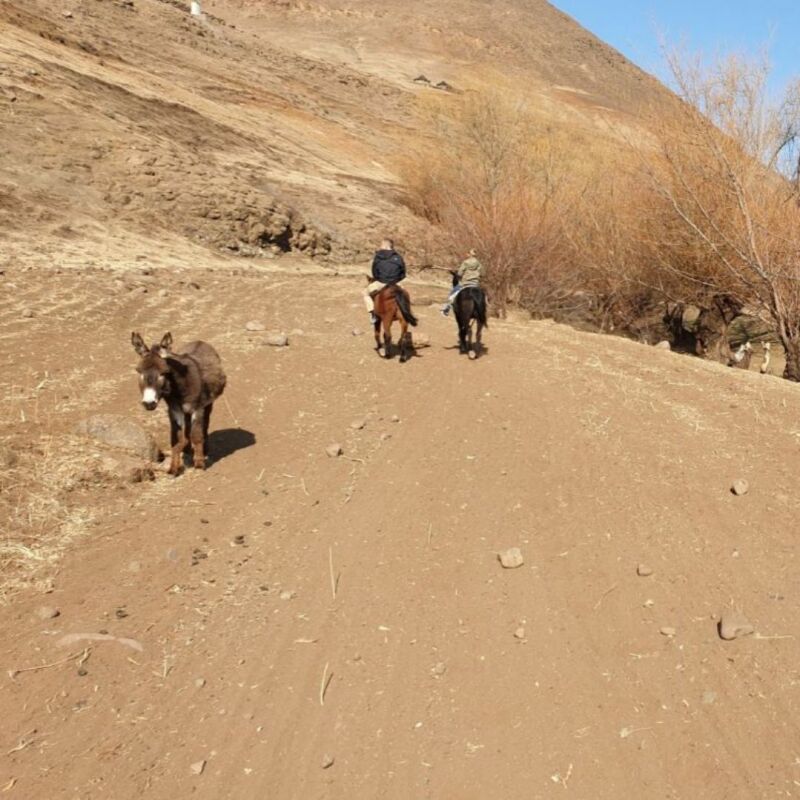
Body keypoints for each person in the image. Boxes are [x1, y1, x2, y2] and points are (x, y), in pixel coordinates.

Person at [364, 238, 406, 325]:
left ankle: (373, 314)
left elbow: (374, 272)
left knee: (365, 293)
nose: (380, 247)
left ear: (385, 245)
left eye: (381, 245)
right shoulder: (398, 257)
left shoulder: (378, 256)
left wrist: (380, 279)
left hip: (381, 282)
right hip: (395, 283)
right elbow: (403, 272)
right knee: (404, 294)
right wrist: (397, 280)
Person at [441, 249, 483, 316]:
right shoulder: (479, 264)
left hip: (465, 284)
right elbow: (482, 273)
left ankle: (446, 309)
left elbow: (460, 274)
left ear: (469, 254)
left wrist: (454, 272)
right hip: (475, 284)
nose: (466, 254)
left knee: (452, 295)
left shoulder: (465, 262)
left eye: (467, 253)